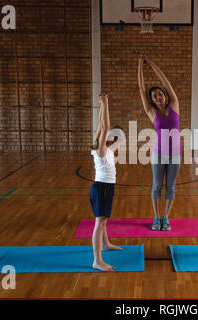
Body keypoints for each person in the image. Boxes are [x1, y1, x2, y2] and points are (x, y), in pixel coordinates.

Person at [137, 55, 182, 231]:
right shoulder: (151, 112)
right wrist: (140, 64)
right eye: (155, 96)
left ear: (165, 95)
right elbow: (141, 88)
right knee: (157, 185)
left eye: (160, 94)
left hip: (175, 155)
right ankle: (156, 218)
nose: (159, 97)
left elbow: (164, 80)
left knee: (170, 187)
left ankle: (166, 218)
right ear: (152, 100)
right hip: (158, 153)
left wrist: (151, 62)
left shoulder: (175, 105)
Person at [89, 92, 123, 271]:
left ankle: (105, 244)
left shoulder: (101, 148)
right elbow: (106, 126)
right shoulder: (101, 150)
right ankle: (97, 260)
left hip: (103, 187)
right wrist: (105, 102)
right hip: (102, 188)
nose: (104, 135)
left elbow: (102, 126)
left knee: (103, 221)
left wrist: (101, 106)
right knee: (100, 222)